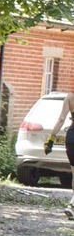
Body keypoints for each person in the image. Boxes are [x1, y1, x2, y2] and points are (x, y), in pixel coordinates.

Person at [47, 91, 74, 219]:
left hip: (71, 138)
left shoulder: (70, 97)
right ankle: (72, 205)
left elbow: (61, 119)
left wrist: (51, 139)